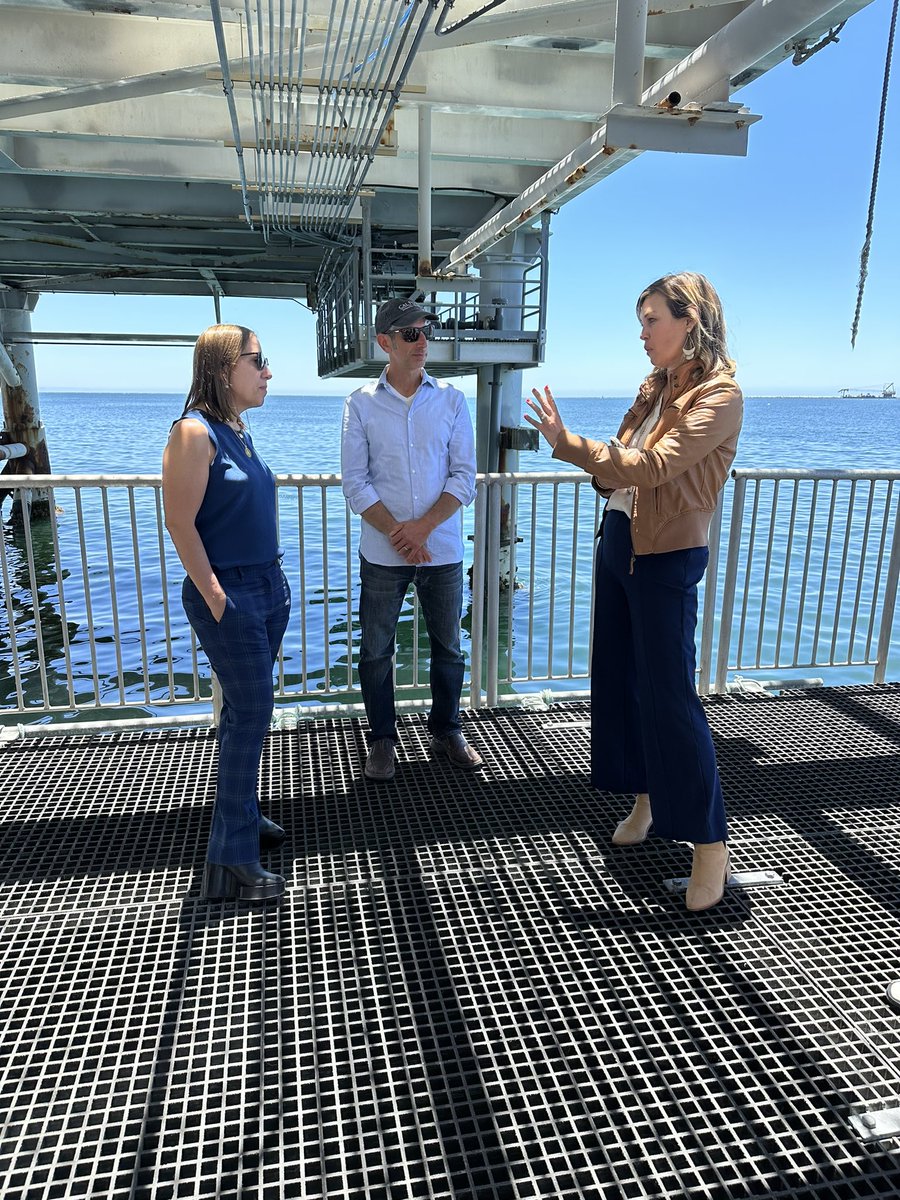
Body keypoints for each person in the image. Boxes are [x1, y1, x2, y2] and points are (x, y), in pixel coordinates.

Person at [524, 272, 742, 912]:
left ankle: (710, 845)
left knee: (671, 696)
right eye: (641, 321)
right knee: (619, 680)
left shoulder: (719, 395)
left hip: (667, 554)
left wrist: (569, 444)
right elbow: (620, 461)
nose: (642, 333)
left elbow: (651, 466)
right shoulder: (656, 389)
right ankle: (646, 796)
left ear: (690, 320)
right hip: (620, 541)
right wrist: (599, 458)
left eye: (652, 320)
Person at [162, 324, 291, 902]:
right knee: (253, 712)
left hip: (265, 586)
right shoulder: (194, 432)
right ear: (221, 369)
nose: (267, 372)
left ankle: (241, 816)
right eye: (257, 361)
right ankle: (229, 860)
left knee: (244, 716)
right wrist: (216, 596)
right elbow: (180, 523)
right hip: (231, 592)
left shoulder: (238, 429)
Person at [342, 297, 481, 781]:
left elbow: (464, 476)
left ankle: (446, 728)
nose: (423, 342)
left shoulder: (452, 400)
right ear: (385, 342)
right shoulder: (359, 402)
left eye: (427, 331)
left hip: (440, 550)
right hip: (382, 554)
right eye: (411, 334)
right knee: (376, 649)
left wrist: (421, 530)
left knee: (450, 647)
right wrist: (400, 536)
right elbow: (355, 482)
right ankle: (382, 739)